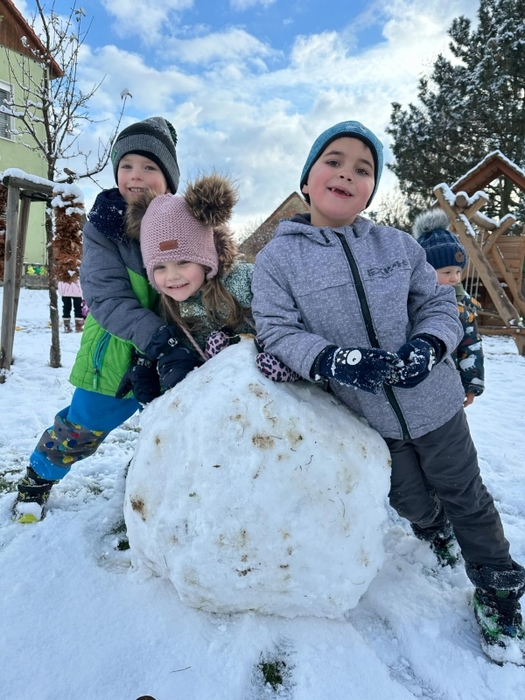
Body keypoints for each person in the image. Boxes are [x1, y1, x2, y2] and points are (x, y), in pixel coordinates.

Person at [251, 120, 524, 661]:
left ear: (371, 190)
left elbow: (439, 304)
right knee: (407, 497)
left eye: (363, 169)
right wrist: (331, 359)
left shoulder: (397, 246)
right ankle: (432, 527)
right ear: (306, 178)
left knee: (466, 494)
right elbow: (277, 330)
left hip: (436, 403)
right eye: (333, 161)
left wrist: (429, 344)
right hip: (365, 416)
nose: (346, 174)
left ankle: (498, 587)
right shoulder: (278, 260)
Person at [13, 116, 180, 523]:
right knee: (82, 427)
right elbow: (106, 297)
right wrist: (157, 337)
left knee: (173, 427)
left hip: (174, 355)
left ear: (169, 180)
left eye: (149, 167)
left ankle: (150, 485)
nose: (135, 175)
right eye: (127, 165)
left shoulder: (185, 225)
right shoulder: (104, 227)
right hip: (114, 356)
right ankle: (38, 478)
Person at [125, 172, 255, 391]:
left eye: (183, 261)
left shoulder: (241, 281)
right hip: (210, 399)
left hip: (259, 389)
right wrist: (145, 364)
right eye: (160, 267)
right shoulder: (166, 307)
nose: (172, 275)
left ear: (206, 259)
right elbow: (157, 344)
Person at [413, 208, 484, 407]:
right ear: (425, 271)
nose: (455, 278)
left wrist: (471, 385)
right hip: (414, 388)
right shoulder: (410, 303)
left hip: (449, 387)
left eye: (458, 271)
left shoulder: (462, 309)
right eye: (447, 272)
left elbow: (471, 347)